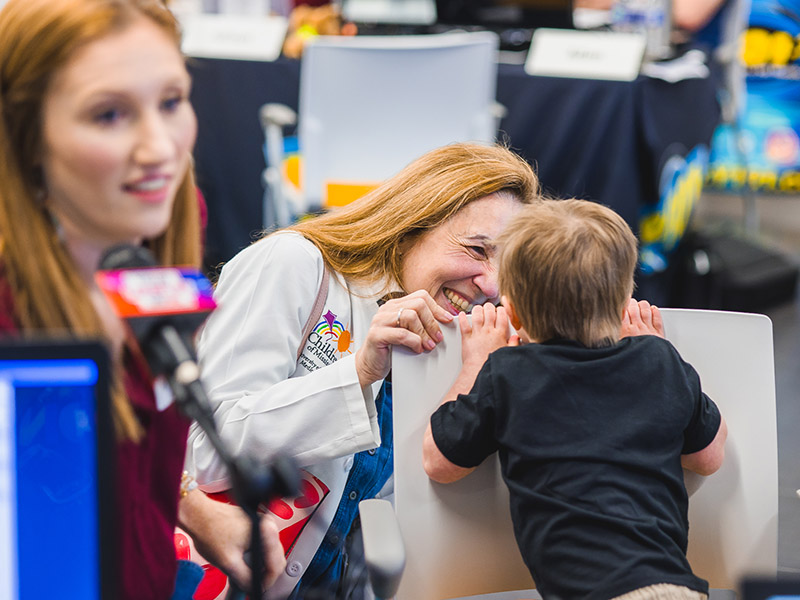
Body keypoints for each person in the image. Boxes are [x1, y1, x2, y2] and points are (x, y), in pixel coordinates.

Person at [0, 0, 284, 598]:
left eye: (171, 102)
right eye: (109, 115)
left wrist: (194, 507)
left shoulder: (165, 226)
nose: (160, 147)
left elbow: (142, 430)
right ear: (25, 136)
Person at [184, 142, 542, 598]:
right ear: (413, 223)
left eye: (506, 269)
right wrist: (359, 372)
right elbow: (205, 456)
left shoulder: (463, 340)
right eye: (475, 249)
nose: (490, 285)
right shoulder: (295, 264)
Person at [422, 198, 728, 600]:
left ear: (511, 312)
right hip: (675, 587)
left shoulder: (508, 373)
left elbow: (438, 462)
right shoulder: (658, 361)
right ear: (623, 304)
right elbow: (709, 457)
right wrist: (662, 354)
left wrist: (477, 362)